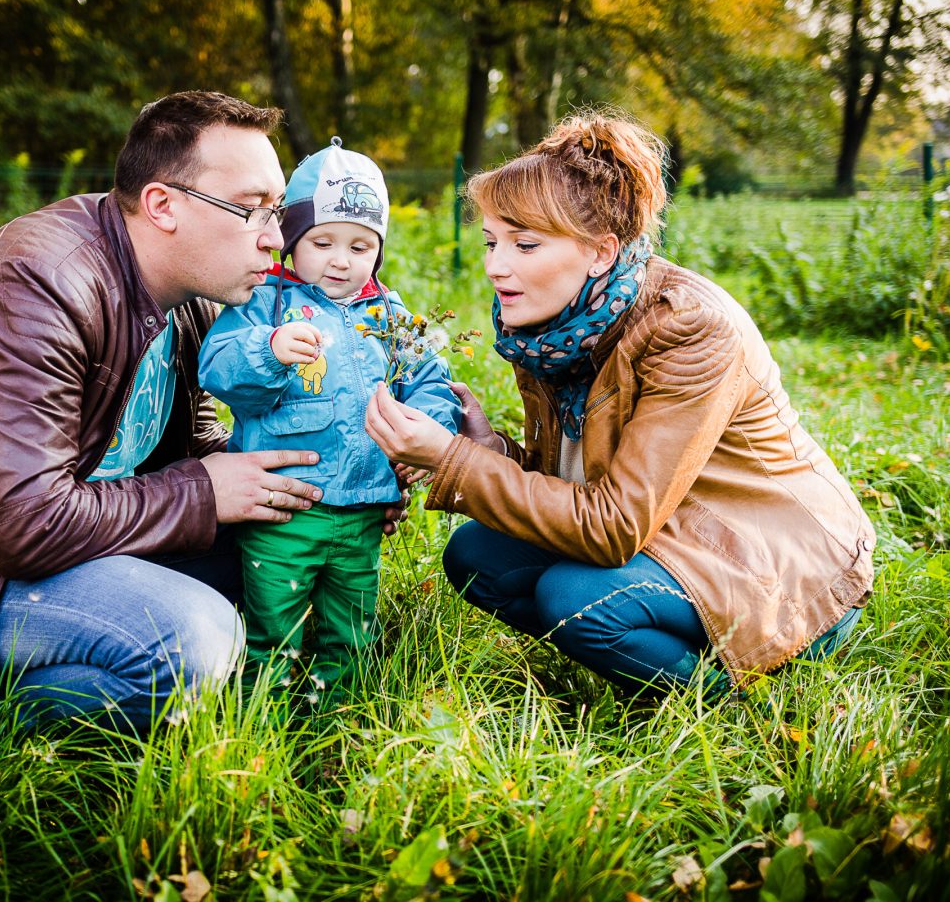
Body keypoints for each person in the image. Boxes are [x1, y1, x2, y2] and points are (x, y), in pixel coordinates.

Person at [0, 91, 405, 752]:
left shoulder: (190, 294)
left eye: (277, 211)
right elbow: (24, 526)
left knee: (283, 551)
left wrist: (328, 487)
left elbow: (193, 450)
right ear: (164, 205)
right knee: (198, 641)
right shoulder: (38, 283)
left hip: (68, 540)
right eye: (251, 209)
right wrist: (205, 491)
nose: (276, 238)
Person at [364, 111, 874, 699]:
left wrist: (454, 461)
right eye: (491, 241)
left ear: (601, 251)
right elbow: (584, 480)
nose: (495, 266)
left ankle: (726, 697)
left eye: (524, 244)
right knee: (478, 556)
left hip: (783, 573)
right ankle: (642, 663)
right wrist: (490, 451)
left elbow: (611, 527)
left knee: (574, 600)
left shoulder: (688, 329)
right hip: (671, 531)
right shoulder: (558, 327)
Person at [199, 139, 461, 703]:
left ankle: (334, 724)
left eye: (361, 246)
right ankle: (260, 729)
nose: (341, 260)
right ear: (291, 244)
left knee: (350, 631)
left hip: (364, 509)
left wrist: (430, 436)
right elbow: (217, 368)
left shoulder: (388, 316)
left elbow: (430, 381)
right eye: (322, 242)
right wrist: (269, 350)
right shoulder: (265, 305)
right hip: (284, 511)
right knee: (274, 629)